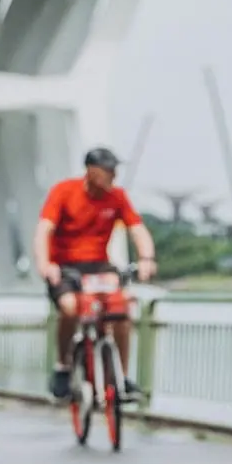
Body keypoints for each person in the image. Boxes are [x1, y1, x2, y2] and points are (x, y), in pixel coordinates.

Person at [33, 148, 157, 399]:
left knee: (121, 311)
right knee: (69, 307)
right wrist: (45, 264)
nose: (113, 175)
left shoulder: (117, 197)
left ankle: (119, 377)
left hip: (98, 265)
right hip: (65, 266)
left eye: (115, 169)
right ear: (91, 170)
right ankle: (64, 368)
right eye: (108, 169)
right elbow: (44, 230)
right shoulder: (64, 191)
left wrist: (146, 259)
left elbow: (137, 230)